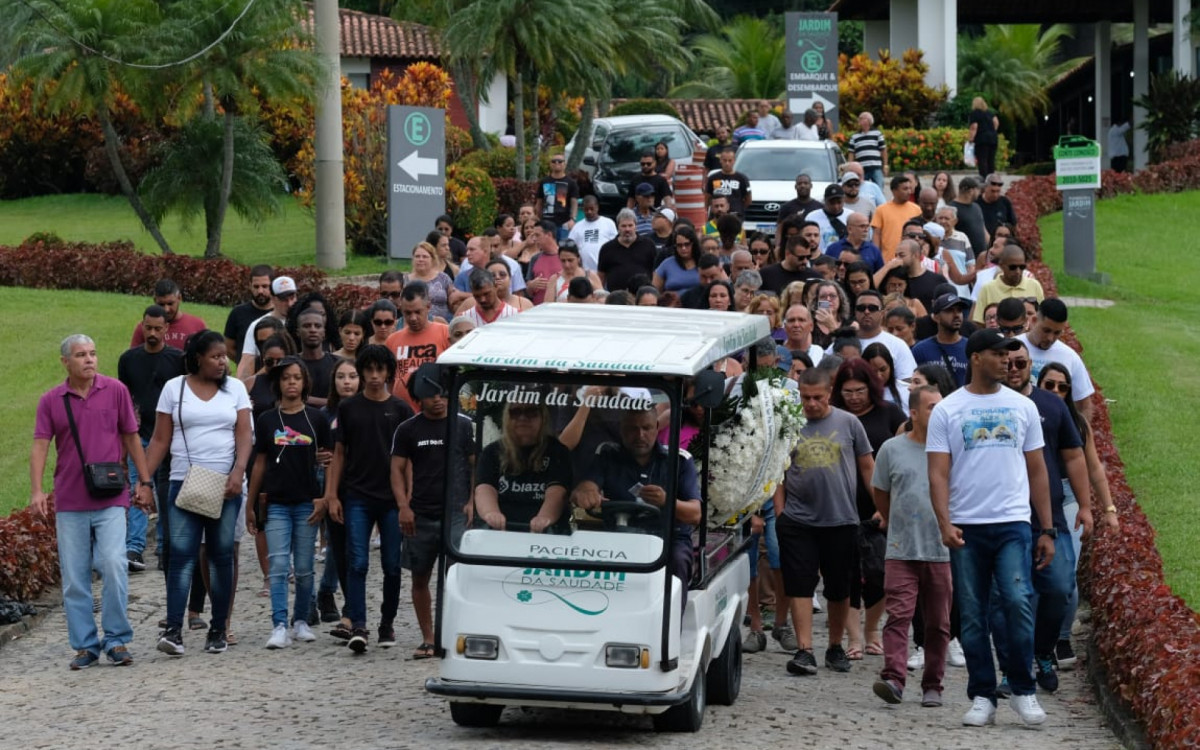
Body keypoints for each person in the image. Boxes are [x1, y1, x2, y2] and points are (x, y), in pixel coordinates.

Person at [926, 329, 1056, 728]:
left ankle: (1022, 688)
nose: (1008, 361)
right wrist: (944, 522)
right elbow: (938, 473)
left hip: (1013, 521)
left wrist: (1047, 528)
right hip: (967, 525)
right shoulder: (948, 409)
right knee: (973, 617)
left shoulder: (1022, 407)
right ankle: (982, 693)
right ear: (977, 357)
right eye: (999, 355)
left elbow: (1037, 468)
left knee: (1017, 601)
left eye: (1011, 355)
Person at [32, 334, 153, 669]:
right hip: (70, 500)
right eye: (81, 355)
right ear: (65, 362)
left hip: (111, 497)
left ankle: (116, 640)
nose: (89, 360)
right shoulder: (51, 400)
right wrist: (37, 490)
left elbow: (131, 436)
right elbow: (41, 444)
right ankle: (85, 645)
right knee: (74, 577)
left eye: (93, 353)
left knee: (114, 565)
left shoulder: (115, 390)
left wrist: (144, 482)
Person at [147, 330, 253, 657]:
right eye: (215, 356)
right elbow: (160, 440)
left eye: (224, 356)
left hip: (226, 484)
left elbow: (245, 436)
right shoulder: (173, 389)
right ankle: (174, 631)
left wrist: (238, 473)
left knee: (221, 557)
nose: (223, 362)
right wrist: (143, 480)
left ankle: (219, 629)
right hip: (183, 482)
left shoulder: (235, 389)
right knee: (180, 558)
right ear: (197, 358)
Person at [776, 368, 875, 676]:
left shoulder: (849, 423)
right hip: (797, 518)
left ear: (829, 393)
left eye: (818, 397)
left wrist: (882, 506)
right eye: (806, 398)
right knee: (800, 583)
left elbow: (868, 468)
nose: (812, 404)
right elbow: (777, 470)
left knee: (839, 587)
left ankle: (835, 645)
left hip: (841, 517)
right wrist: (780, 511)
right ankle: (805, 649)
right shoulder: (790, 424)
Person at [321, 345, 414, 653]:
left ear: (389, 372)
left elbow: (408, 460)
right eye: (369, 370)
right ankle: (358, 623)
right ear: (362, 372)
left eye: (380, 370)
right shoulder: (349, 409)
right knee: (357, 562)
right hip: (356, 495)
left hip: (391, 498)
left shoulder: (401, 410)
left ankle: (386, 622)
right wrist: (332, 494)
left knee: (391, 565)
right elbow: (339, 454)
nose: (375, 377)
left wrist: (407, 500)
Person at [572, 407, 703, 610]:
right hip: (619, 536)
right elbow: (588, 484)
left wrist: (667, 500)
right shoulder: (608, 453)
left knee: (677, 560)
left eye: (646, 428)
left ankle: (671, 626)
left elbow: (695, 515)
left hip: (668, 538)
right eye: (632, 429)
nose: (640, 435)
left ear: (657, 427)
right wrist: (587, 491)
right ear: (621, 429)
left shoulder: (679, 460)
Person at [871, 385, 952, 707]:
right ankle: (893, 677)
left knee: (938, 623)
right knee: (898, 616)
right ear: (914, 413)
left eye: (941, 406)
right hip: (902, 548)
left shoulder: (951, 450)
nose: (938, 412)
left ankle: (933, 683)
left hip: (941, 550)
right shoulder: (892, 449)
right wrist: (894, 522)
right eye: (931, 407)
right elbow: (881, 491)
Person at [244, 357, 331, 649]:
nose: (291, 383)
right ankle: (279, 623)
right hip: (277, 503)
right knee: (279, 565)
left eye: (297, 377)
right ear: (277, 383)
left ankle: (301, 620)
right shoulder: (268, 419)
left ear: (305, 382)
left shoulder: (316, 418)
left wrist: (325, 497)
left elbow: (329, 460)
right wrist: (251, 503)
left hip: (308, 501)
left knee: (305, 567)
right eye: (286, 378)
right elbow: (259, 463)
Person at [1037, 362, 1120, 667]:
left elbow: (1093, 467)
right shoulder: (1029, 414)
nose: (1056, 392)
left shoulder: (1077, 424)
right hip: (1033, 497)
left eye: (1063, 387)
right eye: (1050, 385)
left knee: (1067, 573)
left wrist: (1107, 509)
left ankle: (1060, 639)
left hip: (1069, 496)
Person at [831, 358, 906, 660]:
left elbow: (904, 456)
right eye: (847, 391)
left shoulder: (890, 414)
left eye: (859, 390)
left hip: (881, 504)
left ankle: (873, 629)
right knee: (845, 572)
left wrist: (887, 506)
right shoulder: (834, 416)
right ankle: (853, 636)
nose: (854, 397)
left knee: (879, 571)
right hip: (841, 505)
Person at [118, 306, 185, 572]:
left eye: (158, 328)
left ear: (167, 329)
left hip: (169, 437)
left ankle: (164, 546)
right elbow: (124, 399)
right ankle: (134, 546)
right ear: (141, 327)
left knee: (166, 491)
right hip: (139, 435)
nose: (153, 333)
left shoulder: (177, 359)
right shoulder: (129, 359)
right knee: (138, 489)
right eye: (148, 328)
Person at [475, 401, 571, 533]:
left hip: (547, 533)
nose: (522, 418)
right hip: (501, 531)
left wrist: (544, 518)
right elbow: (484, 488)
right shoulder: (492, 451)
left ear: (543, 418)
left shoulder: (557, 451)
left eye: (531, 412)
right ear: (507, 417)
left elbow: (557, 492)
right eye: (515, 412)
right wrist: (491, 513)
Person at [1016, 298, 1096, 425]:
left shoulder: (1070, 357)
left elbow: (1084, 405)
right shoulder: (1013, 347)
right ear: (1034, 320)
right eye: (1046, 330)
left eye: (1057, 333)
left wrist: (1080, 435)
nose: (1050, 338)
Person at [385, 281, 451, 412]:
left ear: (428, 307)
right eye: (407, 313)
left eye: (417, 312)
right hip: (403, 412)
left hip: (438, 411)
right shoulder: (392, 340)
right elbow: (389, 381)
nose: (413, 318)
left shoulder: (445, 333)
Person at [849, 289, 918, 382]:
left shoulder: (898, 345)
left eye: (872, 308)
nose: (866, 311)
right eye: (861, 308)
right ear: (855, 312)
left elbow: (906, 383)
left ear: (882, 313)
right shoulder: (842, 342)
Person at [237, 276, 298, 379]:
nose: (289, 304)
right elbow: (247, 362)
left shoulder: (305, 322)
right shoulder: (259, 325)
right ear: (273, 299)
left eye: (292, 298)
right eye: (283, 299)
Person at [971, 245, 1045, 324]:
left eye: (1022, 267)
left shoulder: (1034, 286)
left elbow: (1042, 319)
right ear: (1002, 266)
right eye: (1012, 267)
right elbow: (978, 322)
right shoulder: (987, 289)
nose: (1018, 271)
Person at [130, 279, 208, 351]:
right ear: (155, 300)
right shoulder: (146, 328)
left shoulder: (197, 325)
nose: (166, 309)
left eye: (170, 303)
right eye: (161, 304)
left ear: (179, 298)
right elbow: (134, 359)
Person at [912, 293, 971, 387]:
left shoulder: (971, 348)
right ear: (936, 317)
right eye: (949, 311)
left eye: (959, 310)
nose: (956, 315)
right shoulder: (920, 350)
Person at [597, 209, 657, 294]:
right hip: (615, 299)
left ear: (636, 226)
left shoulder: (649, 245)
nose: (627, 229)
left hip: (642, 298)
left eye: (630, 225)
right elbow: (601, 277)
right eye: (623, 226)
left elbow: (655, 274)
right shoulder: (607, 248)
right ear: (618, 227)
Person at [223, 265, 273, 364]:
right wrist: (244, 363)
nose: (260, 291)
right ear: (250, 286)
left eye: (264, 286)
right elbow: (228, 347)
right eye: (256, 286)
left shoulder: (281, 313)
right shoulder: (238, 313)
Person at [870, 176, 923, 263]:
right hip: (887, 260)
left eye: (910, 188)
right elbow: (876, 235)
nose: (909, 192)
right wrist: (877, 258)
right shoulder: (881, 210)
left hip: (911, 261)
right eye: (905, 189)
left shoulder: (916, 209)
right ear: (894, 191)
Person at [295, 308, 339, 410]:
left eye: (318, 326)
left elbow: (346, 399)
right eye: (307, 326)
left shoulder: (338, 364)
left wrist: (304, 398)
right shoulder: (290, 364)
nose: (313, 330)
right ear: (298, 332)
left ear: (324, 332)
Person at [406, 242, 455, 322]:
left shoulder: (443, 278)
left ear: (432, 259)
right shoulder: (405, 280)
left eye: (425, 257)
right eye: (417, 256)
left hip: (442, 324)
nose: (420, 259)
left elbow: (453, 302)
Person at [567, 195, 617, 272]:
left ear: (597, 207)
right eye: (586, 209)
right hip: (585, 270)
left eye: (591, 209)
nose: (589, 212)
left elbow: (615, 244)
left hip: (605, 269)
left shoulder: (608, 223)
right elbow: (571, 247)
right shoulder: (577, 227)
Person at [535, 153, 578, 241]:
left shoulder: (571, 183)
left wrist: (573, 219)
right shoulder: (544, 181)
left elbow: (574, 203)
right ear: (550, 164)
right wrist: (537, 218)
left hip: (564, 223)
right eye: (554, 161)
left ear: (564, 164)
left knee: (562, 247)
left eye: (560, 161)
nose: (556, 163)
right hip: (546, 223)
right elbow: (539, 202)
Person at [704, 150, 752, 218]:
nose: (727, 163)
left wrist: (739, 209)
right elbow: (707, 198)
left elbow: (748, 200)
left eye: (730, 160)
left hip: (735, 216)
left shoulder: (742, 178)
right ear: (720, 160)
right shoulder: (713, 178)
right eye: (724, 160)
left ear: (734, 161)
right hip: (716, 216)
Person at [950, 177, 989, 259]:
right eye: (978, 189)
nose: (980, 192)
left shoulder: (976, 207)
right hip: (965, 258)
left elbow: (983, 230)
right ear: (971, 191)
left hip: (982, 257)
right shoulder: (952, 209)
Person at [849, 112, 888, 188]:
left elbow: (883, 150)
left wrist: (885, 165)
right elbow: (851, 153)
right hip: (862, 168)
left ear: (868, 121)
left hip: (875, 167)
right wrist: (850, 167)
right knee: (862, 188)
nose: (859, 121)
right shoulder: (854, 137)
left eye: (861, 119)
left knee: (879, 187)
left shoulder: (877, 134)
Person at [967, 97, 1000, 179]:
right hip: (993, 138)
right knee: (991, 160)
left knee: (982, 160)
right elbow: (996, 122)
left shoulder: (975, 113)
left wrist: (971, 138)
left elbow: (974, 126)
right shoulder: (990, 113)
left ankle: (984, 178)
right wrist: (992, 130)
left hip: (982, 139)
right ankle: (991, 178)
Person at [976, 175, 1017, 239]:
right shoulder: (976, 203)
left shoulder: (1005, 202)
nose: (995, 195)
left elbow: (1012, 224)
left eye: (998, 191)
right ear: (985, 188)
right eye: (992, 191)